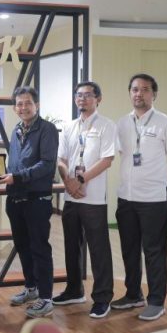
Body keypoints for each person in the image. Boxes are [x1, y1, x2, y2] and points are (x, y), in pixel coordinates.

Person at [112, 74, 167, 321]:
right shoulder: (122, 123)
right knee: (129, 250)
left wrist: (162, 181)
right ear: (130, 93)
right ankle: (133, 294)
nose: (139, 94)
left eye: (144, 89)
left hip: (154, 199)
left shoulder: (165, 123)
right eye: (134, 89)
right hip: (126, 197)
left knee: (154, 252)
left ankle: (156, 301)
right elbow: (121, 155)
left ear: (154, 94)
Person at [55, 81, 115, 319]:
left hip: (94, 198)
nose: (82, 99)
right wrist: (68, 181)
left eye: (88, 95)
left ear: (98, 99)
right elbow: (61, 160)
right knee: (72, 246)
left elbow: (106, 160)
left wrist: (80, 180)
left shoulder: (106, 125)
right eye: (79, 95)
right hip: (71, 197)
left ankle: (102, 298)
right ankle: (74, 290)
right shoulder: (68, 127)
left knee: (99, 250)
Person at [0, 86, 59, 318]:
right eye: (19, 104)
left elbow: (47, 164)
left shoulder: (47, 129)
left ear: (37, 105)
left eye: (28, 103)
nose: (23, 107)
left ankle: (46, 298)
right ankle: (31, 288)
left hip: (37, 199)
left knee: (39, 248)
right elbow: (15, 163)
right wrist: (2, 175)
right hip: (15, 198)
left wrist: (17, 177)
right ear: (15, 108)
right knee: (23, 246)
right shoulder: (16, 130)